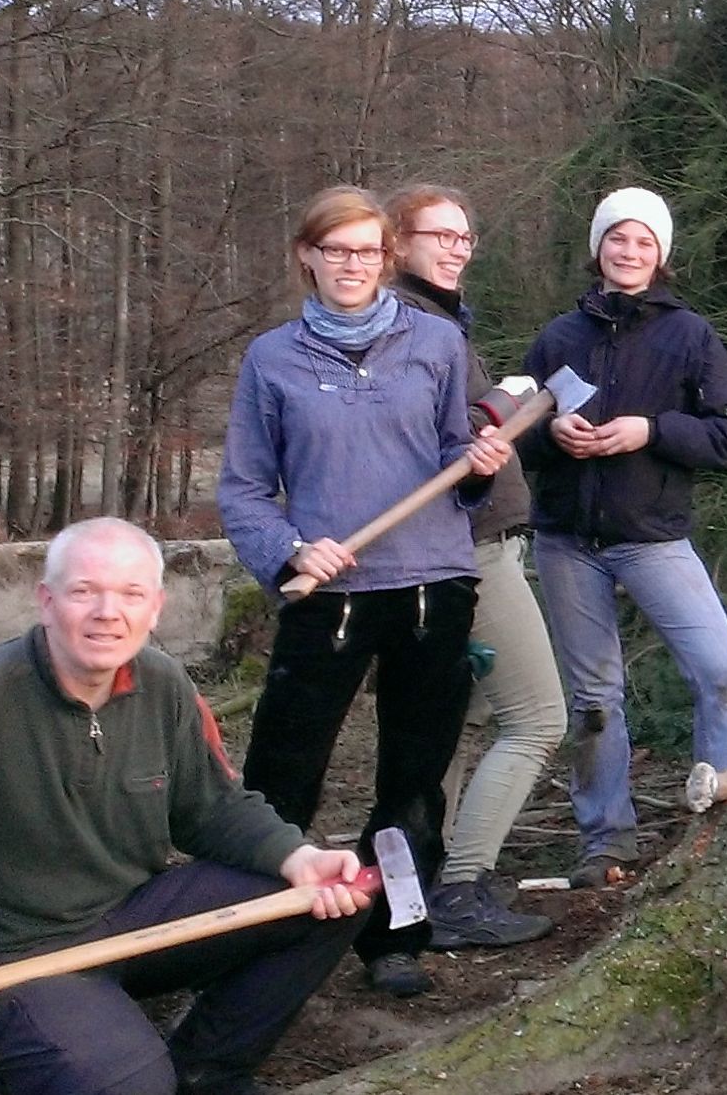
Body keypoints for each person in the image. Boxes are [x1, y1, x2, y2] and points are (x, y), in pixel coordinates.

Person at [0, 517, 374, 1095]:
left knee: (330, 902)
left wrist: (295, 857)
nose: (107, 612)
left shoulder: (165, 686)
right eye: (84, 591)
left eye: (130, 594)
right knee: (128, 1086)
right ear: (46, 602)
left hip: (131, 920)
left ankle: (207, 1070)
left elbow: (213, 806)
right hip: (9, 959)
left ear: (155, 608)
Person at [217, 186, 513, 997]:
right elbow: (243, 491)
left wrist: (478, 465)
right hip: (329, 592)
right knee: (283, 773)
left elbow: (458, 457)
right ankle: (250, 929)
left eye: (368, 251)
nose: (353, 266)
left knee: (413, 779)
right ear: (307, 257)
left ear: (388, 259)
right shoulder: (272, 359)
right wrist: (287, 550)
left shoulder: (435, 343)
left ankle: (396, 935)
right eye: (336, 250)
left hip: (433, 587)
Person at [518, 187, 727, 889]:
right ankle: (604, 840)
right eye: (618, 239)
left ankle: (725, 822)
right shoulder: (560, 337)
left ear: (662, 255)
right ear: (598, 249)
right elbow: (511, 434)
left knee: (721, 673)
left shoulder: (690, 336)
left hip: (652, 536)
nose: (629, 252)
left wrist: (650, 431)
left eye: (644, 242)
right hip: (566, 540)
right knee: (594, 699)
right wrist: (551, 433)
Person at [385, 183, 566, 949]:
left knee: (451, 722)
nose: (458, 248)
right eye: (441, 236)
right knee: (537, 719)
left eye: (466, 237)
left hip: (467, 545)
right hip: (467, 548)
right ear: (397, 242)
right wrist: (503, 407)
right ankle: (460, 886)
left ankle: (414, 891)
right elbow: (426, 438)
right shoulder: (412, 325)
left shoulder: (437, 319)